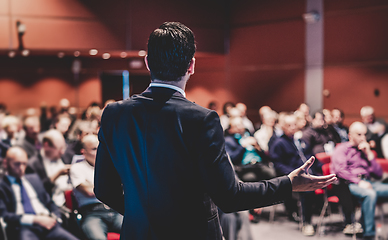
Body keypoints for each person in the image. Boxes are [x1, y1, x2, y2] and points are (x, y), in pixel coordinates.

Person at [94, 21, 336, 240]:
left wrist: (142, 215)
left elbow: (104, 189)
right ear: (192, 65)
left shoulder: (114, 113)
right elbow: (229, 196)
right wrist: (288, 184)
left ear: (147, 62)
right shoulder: (202, 119)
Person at [0, 147, 78, 240]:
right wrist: (35, 220)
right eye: (17, 164)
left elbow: (49, 203)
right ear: (5, 163)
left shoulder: (34, 179)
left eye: (24, 164)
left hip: (48, 225)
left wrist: (56, 218)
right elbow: (5, 215)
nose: (21, 168)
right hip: (23, 228)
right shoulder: (2, 186)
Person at [331, 121, 388, 240]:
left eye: (364, 134)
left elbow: (377, 174)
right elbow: (340, 170)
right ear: (350, 135)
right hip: (349, 184)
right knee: (370, 194)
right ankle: (369, 234)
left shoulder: (364, 151)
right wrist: (358, 182)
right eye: (359, 134)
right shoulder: (342, 149)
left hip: (367, 182)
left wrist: (368, 153)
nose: (363, 138)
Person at [269, 113, 322, 236]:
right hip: (291, 177)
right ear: (283, 127)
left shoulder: (300, 140)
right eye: (289, 125)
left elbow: (311, 157)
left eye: (294, 124)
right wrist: (294, 174)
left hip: (308, 174)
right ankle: (307, 223)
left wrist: (317, 169)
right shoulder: (279, 143)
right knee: (307, 189)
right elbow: (278, 165)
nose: (293, 127)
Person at [70, 134, 123, 240]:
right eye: (94, 149)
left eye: (100, 148)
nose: (98, 152)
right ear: (83, 152)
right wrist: (112, 185)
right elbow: (89, 191)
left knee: (139, 230)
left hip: (115, 210)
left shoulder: (111, 166)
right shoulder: (77, 168)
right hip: (92, 213)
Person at [26, 129, 72, 208]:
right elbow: (38, 191)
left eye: (63, 148)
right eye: (59, 148)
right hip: (51, 204)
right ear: (46, 145)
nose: (62, 152)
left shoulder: (67, 157)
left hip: (72, 200)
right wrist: (57, 174)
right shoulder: (32, 165)